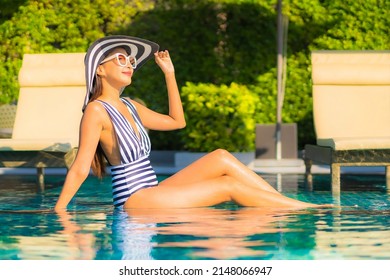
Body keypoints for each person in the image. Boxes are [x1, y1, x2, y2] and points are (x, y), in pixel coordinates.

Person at [55, 35, 329, 211]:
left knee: (221, 157)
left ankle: (285, 205)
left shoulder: (131, 106)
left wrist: (169, 74)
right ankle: (300, 210)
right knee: (227, 187)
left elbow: (178, 121)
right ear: (99, 69)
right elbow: (81, 167)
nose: (129, 64)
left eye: (130, 60)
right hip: (134, 200)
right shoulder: (96, 111)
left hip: (153, 191)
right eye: (120, 59)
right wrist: (59, 212)